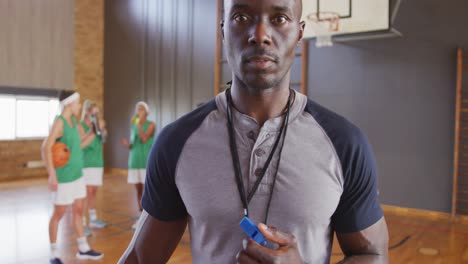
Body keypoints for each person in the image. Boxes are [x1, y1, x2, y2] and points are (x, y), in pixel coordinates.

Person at [119, 0, 389, 263]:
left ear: (300, 33)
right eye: (242, 18)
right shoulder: (176, 142)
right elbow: (141, 257)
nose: (260, 35)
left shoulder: (344, 144)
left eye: (279, 19)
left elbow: (372, 254)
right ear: (223, 30)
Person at [42, 91, 104, 264]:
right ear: (69, 104)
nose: (79, 106)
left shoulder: (73, 123)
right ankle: (54, 254)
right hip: (64, 178)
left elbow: (79, 145)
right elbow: (46, 147)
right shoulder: (59, 123)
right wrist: (52, 175)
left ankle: (83, 248)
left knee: (78, 211)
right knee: (59, 214)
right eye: (77, 103)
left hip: (78, 176)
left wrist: (93, 133)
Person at [120, 101, 155, 228]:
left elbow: (145, 138)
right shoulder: (134, 126)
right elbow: (132, 144)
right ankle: (140, 218)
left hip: (145, 161)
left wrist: (138, 125)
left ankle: (149, 218)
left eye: (140, 109)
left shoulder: (151, 125)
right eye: (137, 109)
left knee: (148, 191)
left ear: (146, 112)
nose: (138, 112)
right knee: (138, 191)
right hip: (134, 161)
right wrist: (127, 144)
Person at [80, 100, 108, 232]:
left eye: (97, 113)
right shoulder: (80, 126)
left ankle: (93, 219)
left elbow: (103, 141)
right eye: (93, 112)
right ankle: (83, 223)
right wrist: (93, 130)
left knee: (94, 191)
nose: (96, 115)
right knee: (86, 192)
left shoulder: (98, 125)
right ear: (87, 112)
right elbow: (80, 144)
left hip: (97, 162)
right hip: (86, 163)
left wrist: (103, 132)